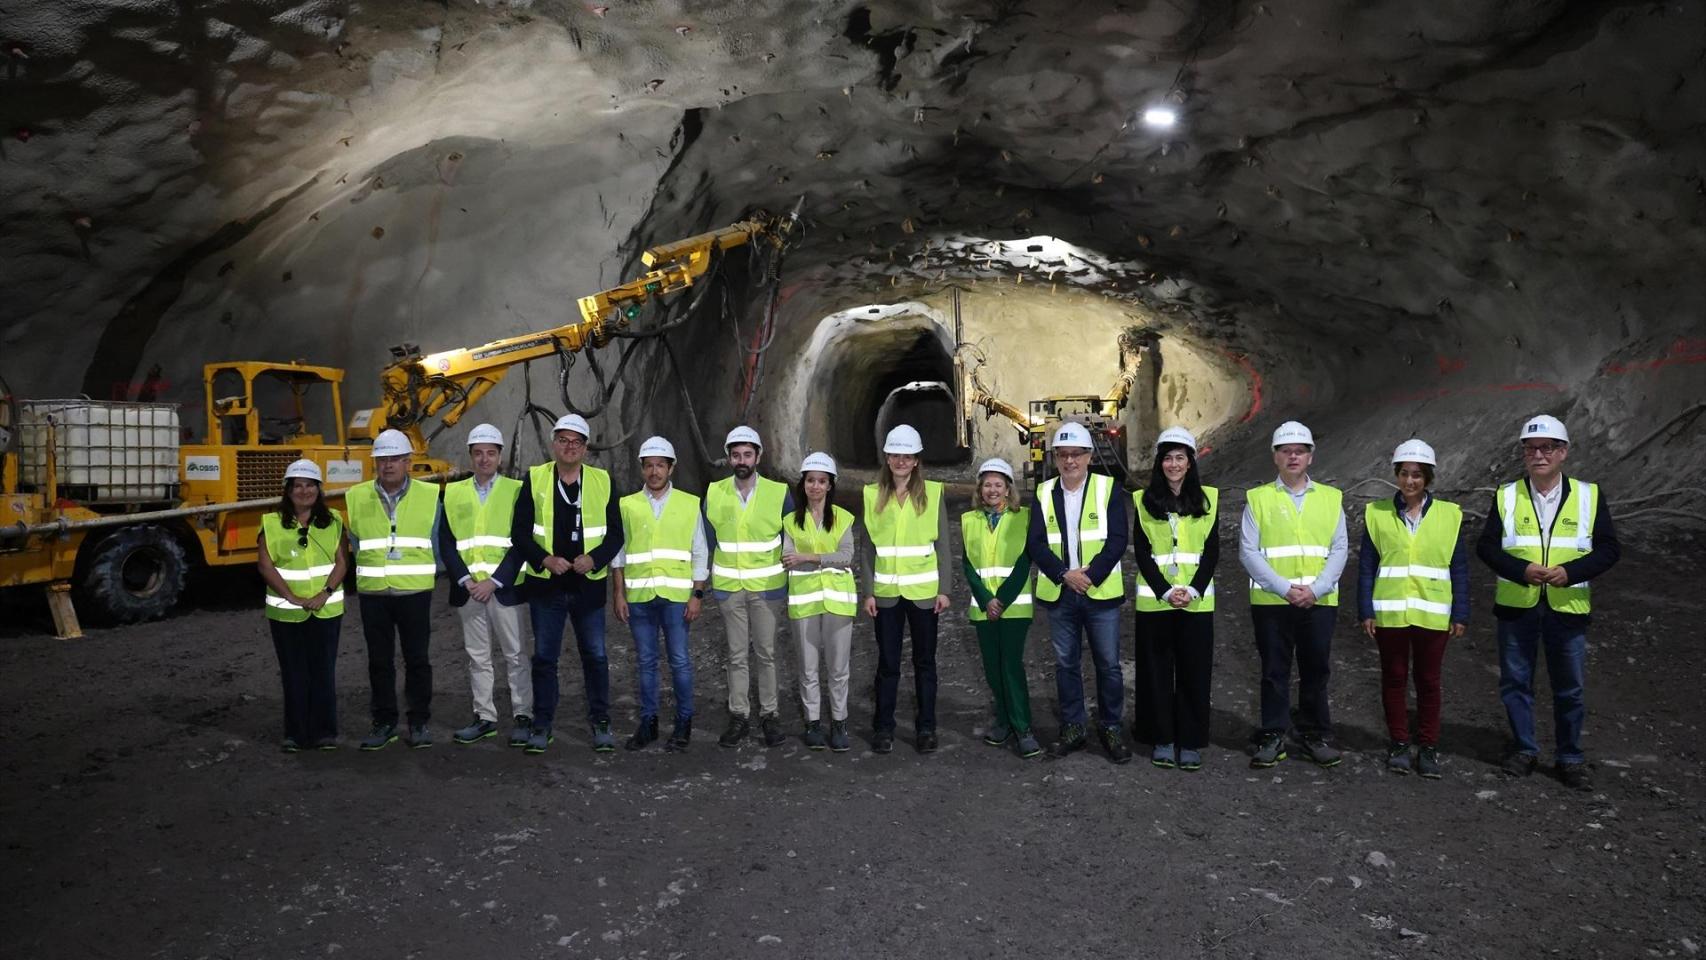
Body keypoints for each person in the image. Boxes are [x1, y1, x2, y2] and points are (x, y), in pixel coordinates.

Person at [1476, 415, 1620, 791]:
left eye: (1547, 448)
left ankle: (1570, 757)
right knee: (1515, 682)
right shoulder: (1506, 495)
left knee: (1569, 687)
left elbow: (1609, 548)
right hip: (1517, 606)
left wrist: (1569, 573)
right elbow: (1486, 546)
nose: (1538, 455)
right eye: (1530, 449)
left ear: (1563, 452)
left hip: (1566, 607)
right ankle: (1525, 749)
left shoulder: (1589, 495)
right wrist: (1521, 569)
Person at [500, 413, 625, 755]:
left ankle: (601, 721)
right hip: (547, 587)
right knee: (544, 658)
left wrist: (594, 559)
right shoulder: (536, 478)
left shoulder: (603, 481)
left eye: (577, 442)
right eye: (563, 441)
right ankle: (542, 724)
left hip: (587, 587)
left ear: (586, 448)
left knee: (596, 657)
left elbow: (616, 534)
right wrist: (545, 559)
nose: (570, 447)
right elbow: (520, 533)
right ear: (553, 444)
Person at [1358, 439, 1469, 780]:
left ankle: (1429, 748)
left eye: (1417, 475)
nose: (1410, 481)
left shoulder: (1450, 516)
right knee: (1393, 679)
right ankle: (1399, 744)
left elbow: (1459, 567)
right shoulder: (1376, 513)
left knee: (1428, 681)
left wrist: (1460, 612)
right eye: (1404, 474)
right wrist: (1366, 609)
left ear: (1428, 478)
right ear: (1396, 475)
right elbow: (1366, 566)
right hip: (1390, 613)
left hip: (1433, 614)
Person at [1240, 420, 1348, 769]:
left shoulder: (1332, 499)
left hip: (1319, 603)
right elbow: (1248, 552)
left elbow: (1340, 549)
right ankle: (1273, 732)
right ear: (1275, 457)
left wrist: (1315, 590)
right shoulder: (1258, 499)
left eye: (1299, 451)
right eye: (1286, 451)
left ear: (1310, 457)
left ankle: (1314, 732)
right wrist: (1285, 589)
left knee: (1316, 670)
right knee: (1274, 670)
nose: (1293, 456)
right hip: (1274, 602)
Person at [1026, 420, 1132, 763]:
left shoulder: (1108, 488)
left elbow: (1118, 538)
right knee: (1065, 664)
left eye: (1076, 454)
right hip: (1062, 593)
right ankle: (1073, 726)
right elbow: (1036, 544)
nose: (1070, 461)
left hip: (1099, 593)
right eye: (1063, 455)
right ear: (1055, 458)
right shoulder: (1043, 493)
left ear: (1089, 456)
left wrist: (1091, 575)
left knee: (1109, 665)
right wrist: (1063, 574)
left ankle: (1111, 726)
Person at [437, 423, 532, 748]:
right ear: (470, 456)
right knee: (477, 657)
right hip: (469, 591)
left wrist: (494, 581)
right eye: (478, 453)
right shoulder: (454, 492)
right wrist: (466, 579)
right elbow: (446, 542)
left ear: (500, 456)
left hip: (505, 589)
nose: (484, 459)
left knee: (516, 655)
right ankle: (485, 717)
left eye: (490, 453)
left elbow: (522, 541)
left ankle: (523, 715)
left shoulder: (517, 490)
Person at [859, 424, 952, 754]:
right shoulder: (872, 495)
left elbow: (943, 544)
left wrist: (945, 589)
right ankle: (883, 728)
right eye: (895, 455)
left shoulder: (934, 492)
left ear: (916, 460)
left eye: (907, 456)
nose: (900, 461)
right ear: (887, 458)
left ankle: (926, 727)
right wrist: (868, 591)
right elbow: (867, 548)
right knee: (888, 664)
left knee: (925, 664)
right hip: (886, 594)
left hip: (924, 594)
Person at [1130, 427, 1218, 771]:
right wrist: (1165, 590)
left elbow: (1211, 552)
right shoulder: (1143, 500)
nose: (1173, 464)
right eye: (1167, 457)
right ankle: (1162, 738)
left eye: (1180, 457)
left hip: (1196, 602)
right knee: (1156, 673)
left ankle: (1190, 741)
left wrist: (1192, 589)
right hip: (1156, 602)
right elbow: (1141, 552)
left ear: (1190, 462)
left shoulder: (1209, 499)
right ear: (1159, 462)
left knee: (1194, 672)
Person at [346, 428, 439, 750]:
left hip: (414, 593)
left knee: (417, 660)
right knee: (379, 661)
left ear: (408, 462)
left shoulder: (429, 496)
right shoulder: (356, 496)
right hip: (374, 594)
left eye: (395, 459)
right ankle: (384, 721)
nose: (388, 465)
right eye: (382, 460)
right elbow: (355, 542)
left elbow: (436, 542)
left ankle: (418, 722)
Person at [611, 436, 705, 752]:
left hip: (677, 597)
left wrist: (697, 594)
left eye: (660, 465)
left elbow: (700, 552)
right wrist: (618, 594)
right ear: (642, 468)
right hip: (639, 597)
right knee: (646, 662)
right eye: (649, 465)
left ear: (671, 468)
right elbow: (619, 553)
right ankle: (649, 723)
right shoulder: (627, 505)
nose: (654, 471)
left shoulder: (689, 503)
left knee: (679, 661)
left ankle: (683, 722)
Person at [703, 426, 793, 748]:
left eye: (747, 454)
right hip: (729, 588)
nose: (742, 460)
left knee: (766, 653)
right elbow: (709, 541)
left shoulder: (779, 494)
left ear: (758, 456)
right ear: (728, 458)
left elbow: (790, 541)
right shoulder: (714, 493)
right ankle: (739, 715)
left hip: (767, 588)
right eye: (736, 454)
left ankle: (769, 715)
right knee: (737, 654)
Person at [256, 459, 347, 752]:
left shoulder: (333, 521)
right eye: (298, 486)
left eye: (310, 485)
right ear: (288, 490)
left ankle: (324, 733)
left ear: (319, 490)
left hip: (326, 610)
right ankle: (295, 734)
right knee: (294, 673)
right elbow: (266, 566)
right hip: (286, 613)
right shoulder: (270, 523)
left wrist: (325, 592)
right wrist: (291, 597)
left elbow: (342, 562)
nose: (304, 491)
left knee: (323, 672)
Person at [961, 458, 1040, 759]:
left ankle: (1023, 728)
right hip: (984, 609)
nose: (992, 490)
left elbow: (1023, 563)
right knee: (992, 669)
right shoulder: (970, 520)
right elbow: (968, 564)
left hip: (1013, 608)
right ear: (980, 489)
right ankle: (1003, 720)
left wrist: (1001, 600)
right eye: (987, 485)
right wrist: (985, 599)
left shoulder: (1024, 517)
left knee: (1011, 667)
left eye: (998, 484)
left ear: (1009, 489)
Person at [780, 452, 857, 752]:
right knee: (808, 668)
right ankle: (813, 723)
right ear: (804, 484)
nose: (815, 486)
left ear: (830, 485)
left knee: (838, 668)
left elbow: (847, 555)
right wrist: (824, 559)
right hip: (804, 603)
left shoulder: (842, 518)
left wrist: (809, 557)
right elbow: (788, 559)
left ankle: (839, 723)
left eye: (821, 481)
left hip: (838, 603)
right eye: (810, 480)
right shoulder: (790, 521)